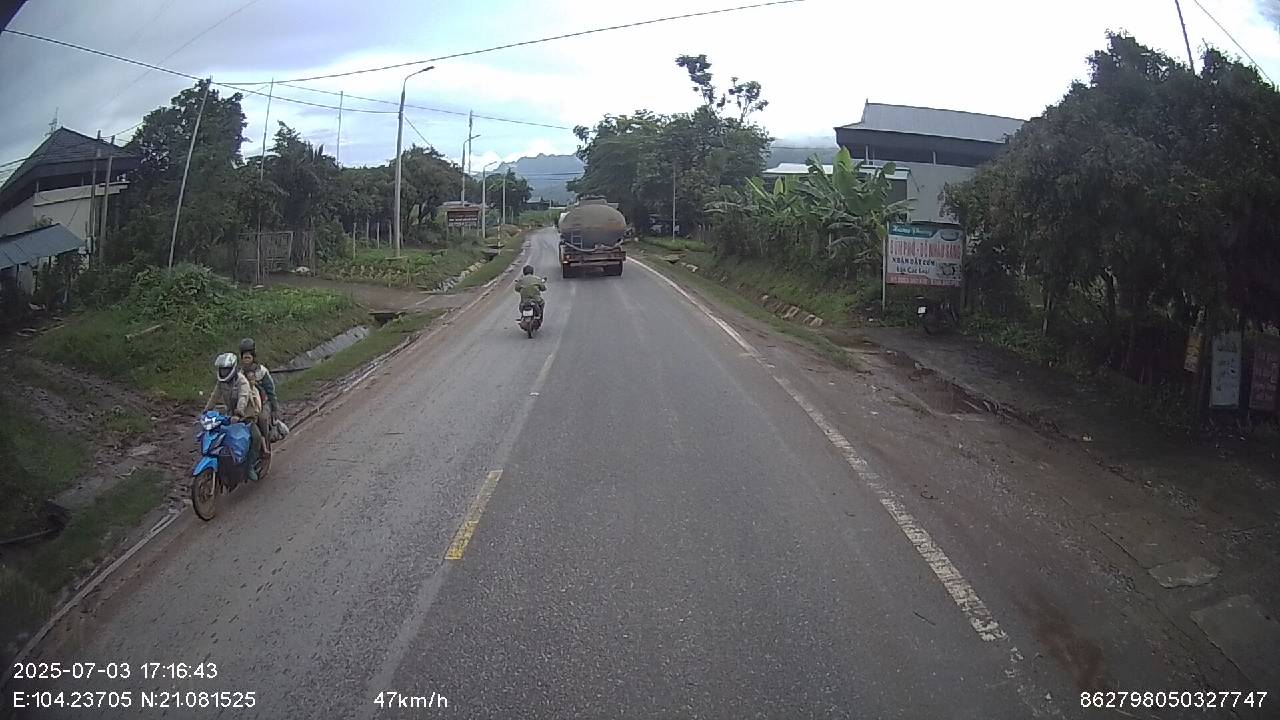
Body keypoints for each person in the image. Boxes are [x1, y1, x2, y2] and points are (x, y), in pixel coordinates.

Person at [204, 352, 264, 481]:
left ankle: (249, 467)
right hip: (231, 415)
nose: (224, 372)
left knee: (256, 437)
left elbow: (243, 398)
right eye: (222, 369)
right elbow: (214, 396)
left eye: (226, 370)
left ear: (233, 368)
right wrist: (206, 410)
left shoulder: (242, 381)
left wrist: (239, 413)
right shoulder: (221, 383)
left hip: (247, 415)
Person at [238, 337, 279, 461]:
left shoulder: (262, 372)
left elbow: (270, 391)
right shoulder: (239, 373)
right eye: (244, 357)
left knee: (261, 419)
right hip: (247, 404)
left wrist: (274, 408)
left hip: (263, 403)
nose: (246, 360)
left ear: (253, 357)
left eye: (248, 357)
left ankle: (266, 445)